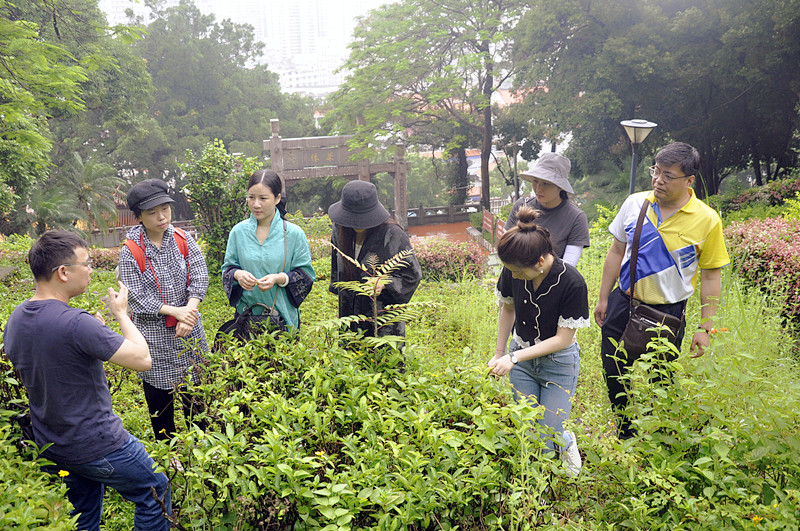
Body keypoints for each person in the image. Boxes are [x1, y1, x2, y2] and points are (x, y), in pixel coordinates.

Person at [4, 230, 170, 530]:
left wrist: (87, 333)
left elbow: (51, 356)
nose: (92, 269)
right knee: (154, 490)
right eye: (87, 263)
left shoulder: (16, 319)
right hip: (97, 443)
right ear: (63, 272)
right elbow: (143, 359)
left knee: (82, 514)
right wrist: (121, 314)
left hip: (52, 443)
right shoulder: (76, 323)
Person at [593, 142, 730, 439]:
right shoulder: (635, 203)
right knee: (614, 370)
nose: (658, 180)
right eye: (656, 171)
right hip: (624, 303)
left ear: (689, 180)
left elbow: (710, 276)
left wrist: (706, 327)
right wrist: (604, 297)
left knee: (662, 379)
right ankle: (625, 431)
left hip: (666, 313)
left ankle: (662, 436)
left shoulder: (707, 220)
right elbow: (616, 251)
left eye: (668, 175)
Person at [488, 206, 590, 477]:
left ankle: (566, 441)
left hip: (558, 363)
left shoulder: (572, 283)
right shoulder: (514, 270)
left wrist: (512, 358)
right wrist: (500, 353)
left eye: (520, 273)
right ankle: (537, 490)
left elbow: (563, 339)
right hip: (519, 357)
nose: (515, 276)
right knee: (530, 431)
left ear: (542, 261)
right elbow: (508, 308)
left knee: (549, 432)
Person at [119, 178, 209, 441]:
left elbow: (200, 277)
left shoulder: (183, 239)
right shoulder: (131, 251)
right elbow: (134, 297)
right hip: (154, 343)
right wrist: (174, 311)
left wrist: (188, 313)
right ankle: (168, 456)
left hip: (190, 332)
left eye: (165, 209)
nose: (161, 217)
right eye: (152, 212)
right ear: (139, 217)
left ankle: (202, 450)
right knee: (161, 406)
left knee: (198, 401)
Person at [222, 169, 315, 330]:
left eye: (263, 198)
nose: (256, 204)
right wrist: (238, 275)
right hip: (246, 319)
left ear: (277, 198)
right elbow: (227, 269)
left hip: (284, 320)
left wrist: (279, 278)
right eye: (251, 197)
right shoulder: (238, 232)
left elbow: (306, 276)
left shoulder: (293, 234)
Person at [328, 180, 422, 338]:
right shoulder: (340, 229)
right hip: (348, 317)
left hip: (383, 322)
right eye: (352, 217)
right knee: (349, 357)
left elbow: (412, 275)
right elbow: (336, 268)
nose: (356, 223)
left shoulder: (392, 234)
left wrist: (385, 283)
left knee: (384, 359)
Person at [505, 152, 590, 266]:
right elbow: (506, 249)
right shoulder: (521, 206)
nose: (538, 188)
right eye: (535, 181)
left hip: (553, 281)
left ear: (560, 186)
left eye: (546, 183)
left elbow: (568, 267)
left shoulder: (576, 217)